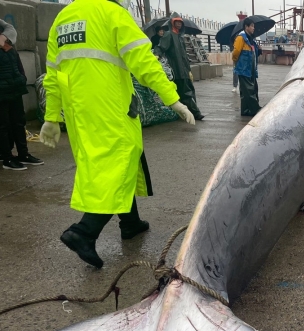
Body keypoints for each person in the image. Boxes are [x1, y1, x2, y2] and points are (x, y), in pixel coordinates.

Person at [40, 0, 195, 269]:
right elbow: (144, 62)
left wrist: (52, 116)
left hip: (79, 113)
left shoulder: (62, 19)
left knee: (119, 163)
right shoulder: (113, 14)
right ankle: (84, 231)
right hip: (111, 107)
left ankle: (130, 223)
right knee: (118, 165)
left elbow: (53, 75)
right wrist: (173, 99)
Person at [0, 20, 43, 171]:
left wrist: (21, 78)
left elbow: (10, 27)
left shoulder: (6, 40)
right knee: (3, 125)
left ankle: (23, 154)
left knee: (19, 122)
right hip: (2, 91)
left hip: (14, 87)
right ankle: (6, 158)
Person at [154, 16, 204, 120]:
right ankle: (195, 113)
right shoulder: (168, 35)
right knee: (186, 93)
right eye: (177, 22)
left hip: (184, 70)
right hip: (176, 70)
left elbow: (184, 56)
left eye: (180, 22)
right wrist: (156, 55)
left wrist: (189, 70)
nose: (179, 24)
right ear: (172, 23)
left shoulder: (180, 37)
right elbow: (160, 47)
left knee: (187, 91)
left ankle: (186, 113)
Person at [233, 18, 262, 117]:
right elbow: (236, 52)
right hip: (244, 69)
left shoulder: (251, 39)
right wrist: (237, 62)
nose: (253, 28)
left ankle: (245, 110)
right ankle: (255, 109)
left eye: (254, 26)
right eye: (252, 26)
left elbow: (253, 54)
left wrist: (259, 51)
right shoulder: (241, 38)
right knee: (249, 91)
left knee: (249, 90)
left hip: (251, 69)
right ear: (246, 27)